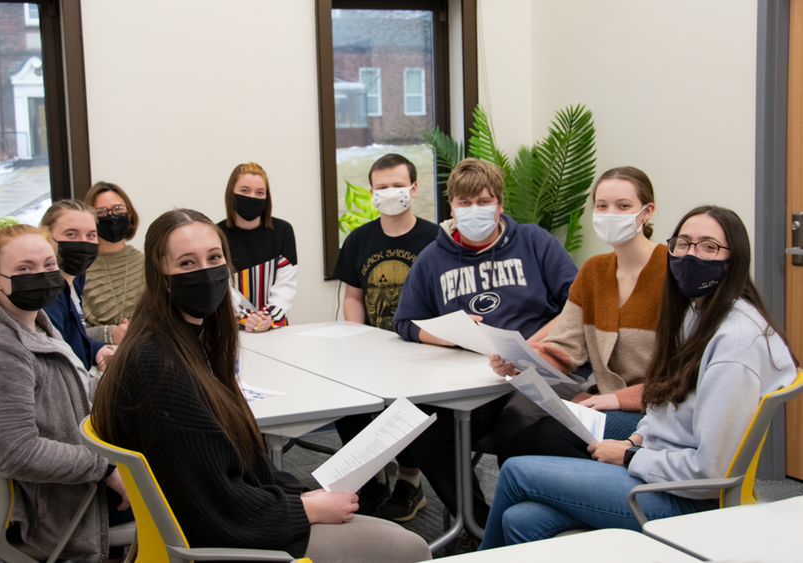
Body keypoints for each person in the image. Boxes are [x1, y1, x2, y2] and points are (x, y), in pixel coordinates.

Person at [91, 209, 431, 563]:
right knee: (412, 548)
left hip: (231, 517)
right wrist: (305, 509)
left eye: (214, 258)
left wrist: (300, 498)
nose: (206, 272)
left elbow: (235, 463)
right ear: (161, 276)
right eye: (187, 263)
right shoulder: (159, 369)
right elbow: (214, 508)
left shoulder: (189, 341)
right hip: (222, 541)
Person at [478, 205, 798, 549]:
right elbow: (667, 406)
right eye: (683, 243)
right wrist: (635, 441)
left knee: (515, 472)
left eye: (708, 247)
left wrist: (630, 457)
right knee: (520, 519)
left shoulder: (736, 342)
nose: (691, 255)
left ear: (734, 259)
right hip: (659, 467)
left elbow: (712, 474)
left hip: (686, 497)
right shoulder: (699, 314)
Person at [392, 158, 580, 527]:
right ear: (452, 207)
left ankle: (521, 521)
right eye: (465, 203)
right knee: (421, 426)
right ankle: (480, 525)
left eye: (484, 201)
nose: (474, 210)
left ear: (500, 204)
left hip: (535, 369)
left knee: (519, 426)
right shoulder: (433, 259)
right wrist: (444, 333)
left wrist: (532, 345)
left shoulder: (534, 241)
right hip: (472, 376)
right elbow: (405, 322)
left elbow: (578, 301)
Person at [0, 219, 132, 562]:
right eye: (24, 268)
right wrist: (106, 468)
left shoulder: (36, 325)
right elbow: (17, 452)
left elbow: (75, 390)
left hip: (75, 483)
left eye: (48, 265)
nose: (42, 274)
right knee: (192, 493)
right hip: (63, 505)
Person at [489, 166, 665, 459]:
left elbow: (685, 376)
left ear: (647, 212)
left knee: (545, 437)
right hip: (600, 400)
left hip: (651, 410)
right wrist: (518, 362)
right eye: (602, 206)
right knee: (515, 418)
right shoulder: (594, 271)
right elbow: (564, 346)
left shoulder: (671, 272)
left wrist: (618, 399)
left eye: (623, 206)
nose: (610, 214)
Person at [331, 153, 439, 521]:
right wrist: (359, 340)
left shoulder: (435, 238)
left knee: (412, 410)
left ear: (413, 187)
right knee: (346, 406)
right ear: (371, 191)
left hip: (420, 351)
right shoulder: (359, 239)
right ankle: (373, 479)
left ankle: (410, 483)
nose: (390, 192)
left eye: (397, 185)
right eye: (382, 187)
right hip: (372, 349)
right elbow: (353, 296)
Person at [217, 162, 298, 332]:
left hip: (274, 327)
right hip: (234, 329)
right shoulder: (217, 234)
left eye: (259, 192)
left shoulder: (283, 231)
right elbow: (223, 286)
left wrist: (267, 318)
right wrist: (246, 319)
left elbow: (286, 286)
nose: (252, 197)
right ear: (231, 194)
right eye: (245, 191)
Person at [39, 199, 114, 371]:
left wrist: (96, 349)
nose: (83, 243)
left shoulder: (76, 276)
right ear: (47, 237)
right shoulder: (45, 292)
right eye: (71, 234)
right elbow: (55, 363)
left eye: (91, 235)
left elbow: (71, 337)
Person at [82, 181, 145, 345]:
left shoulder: (146, 263)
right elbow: (69, 331)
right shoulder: (79, 270)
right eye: (101, 212)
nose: (111, 216)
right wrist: (109, 334)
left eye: (118, 209)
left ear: (129, 214)